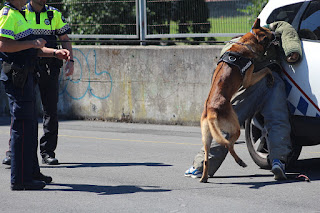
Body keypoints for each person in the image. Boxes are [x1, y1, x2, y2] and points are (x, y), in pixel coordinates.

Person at [185, 21, 302, 181]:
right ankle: (278, 162)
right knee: (278, 120)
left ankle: (200, 167)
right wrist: (292, 51)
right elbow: (288, 33)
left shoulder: (260, 33)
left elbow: (227, 58)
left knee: (228, 124)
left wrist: (292, 50)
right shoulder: (273, 29)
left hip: (257, 81)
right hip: (271, 79)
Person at [0, 0, 70, 190]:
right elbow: (2, 44)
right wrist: (32, 42)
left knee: (30, 128)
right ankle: (20, 179)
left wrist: (55, 52)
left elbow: (35, 49)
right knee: (22, 128)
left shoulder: (20, 13)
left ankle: (31, 172)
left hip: (27, 75)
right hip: (17, 77)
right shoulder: (8, 14)